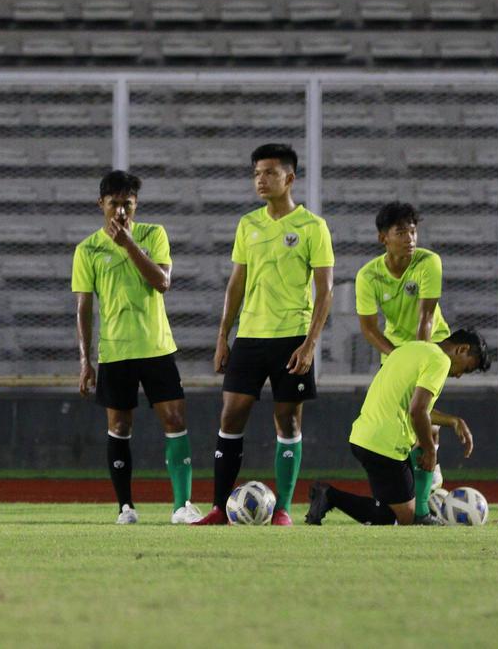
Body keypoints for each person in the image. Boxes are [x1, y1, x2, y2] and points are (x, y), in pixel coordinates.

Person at [193, 144, 333, 526]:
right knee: (231, 415)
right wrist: (224, 335)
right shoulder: (247, 224)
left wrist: (310, 344)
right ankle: (221, 508)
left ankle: (283, 508)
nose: (261, 179)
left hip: (292, 338)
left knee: (287, 422)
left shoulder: (312, 227)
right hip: (250, 337)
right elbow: (236, 284)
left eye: (269, 172)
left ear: (290, 178)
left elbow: (326, 290)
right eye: (256, 173)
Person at [73, 169, 201, 525]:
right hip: (115, 352)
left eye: (127, 205)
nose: (120, 213)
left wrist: (128, 244)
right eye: (114, 204)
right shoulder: (87, 250)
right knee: (119, 427)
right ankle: (125, 507)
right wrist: (85, 361)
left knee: (175, 421)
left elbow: (162, 282)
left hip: (156, 347)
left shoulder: (153, 235)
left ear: (136, 205)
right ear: (101, 204)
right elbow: (83, 308)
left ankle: (181, 506)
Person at [355, 201, 469, 522]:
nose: (410, 238)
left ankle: (420, 508)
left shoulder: (428, 262)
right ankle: (409, 496)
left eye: (413, 230)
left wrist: (416, 357)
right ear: (383, 238)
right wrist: (399, 358)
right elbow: (368, 327)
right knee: (400, 429)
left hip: (429, 346)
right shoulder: (368, 275)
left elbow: (426, 317)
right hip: (392, 354)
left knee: (426, 425)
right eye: (401, 231)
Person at [305, 331, 489, 526]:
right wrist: (429, 451)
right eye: (466, 368)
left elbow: (417, 407)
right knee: (404, 518)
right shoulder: (440, 361)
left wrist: (453, 421)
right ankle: (330, 495)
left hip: (364, 436)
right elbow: (417, 411)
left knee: (386, 513)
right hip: (386, 445)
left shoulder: (412, 348)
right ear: (462, 349)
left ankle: (330, 496)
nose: (459, 375)